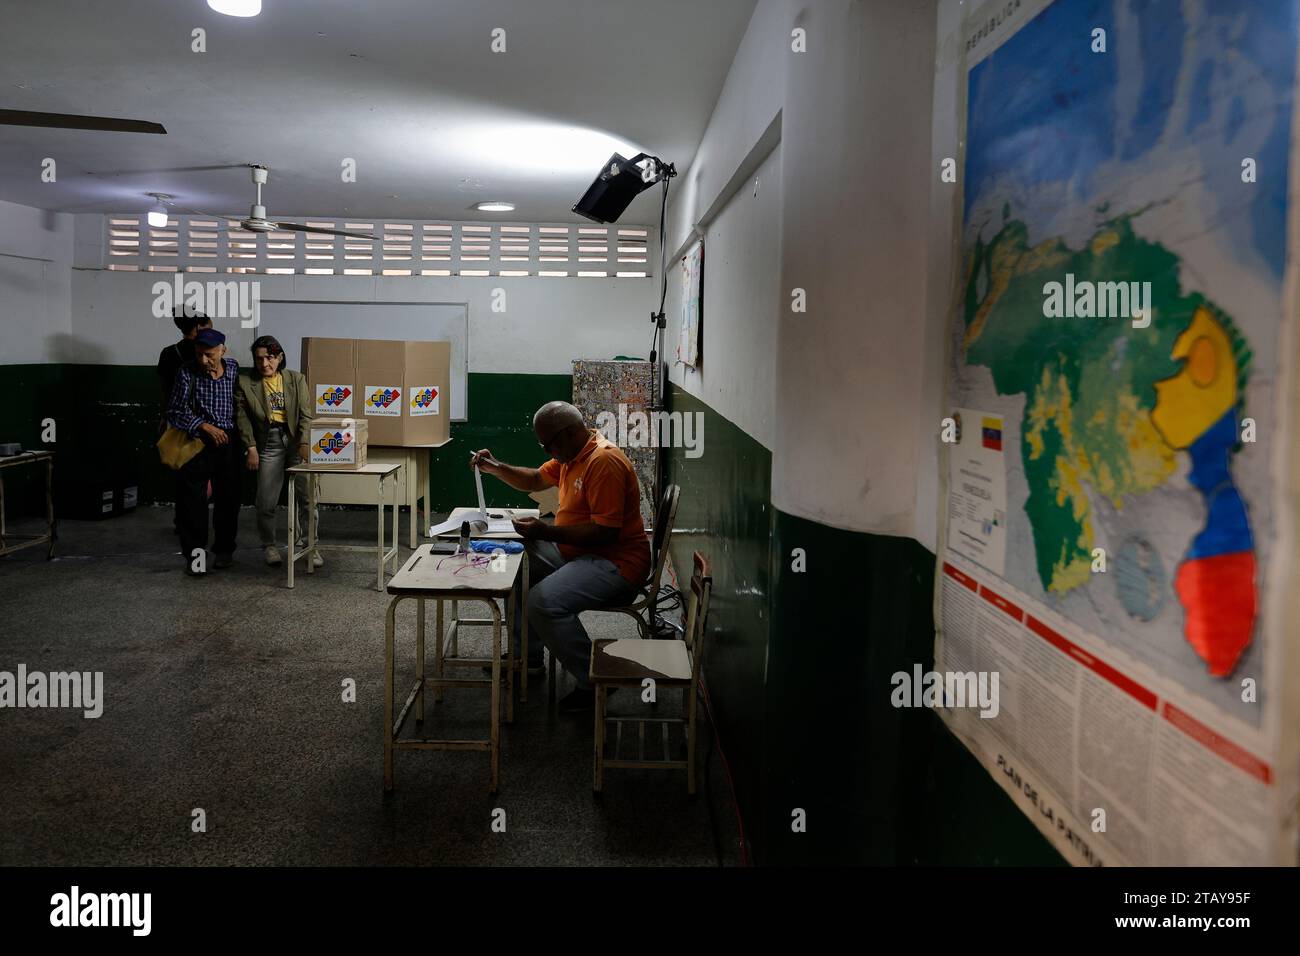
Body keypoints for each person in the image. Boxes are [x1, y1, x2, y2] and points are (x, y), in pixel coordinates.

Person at [470, 401, 650, 712]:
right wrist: (495, 467)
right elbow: (533, 480)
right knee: (518, 564)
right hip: (580, 554)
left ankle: (592, 682)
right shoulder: (571, 455)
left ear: (567, 434)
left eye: (547, 445)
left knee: (543, 601)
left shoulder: (602, 462)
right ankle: (525, 659)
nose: (546, 452)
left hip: (616, 564)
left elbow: (605, 533)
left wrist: (545, 532)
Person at [235, 335, 321, 567]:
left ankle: (310, 546)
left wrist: (304, 444)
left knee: (308, 497)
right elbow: (241, 419)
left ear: (280, 357)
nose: (264, 364)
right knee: (265, 500)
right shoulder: (245, 382)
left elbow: (305, 414)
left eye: (270, 358)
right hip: (268, 443)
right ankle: (269, 545)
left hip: (295, 440)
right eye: (259, 359)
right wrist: (250, 447)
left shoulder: (296, 379)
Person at [166, 327, 241, 576]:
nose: (203, 360)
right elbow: (175, 411)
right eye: (199, 354)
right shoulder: (187, 372)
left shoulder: (233, 369)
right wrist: (205, 426)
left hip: (228, 443)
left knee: (228, 501)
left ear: (222, 350)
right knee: (193, 506)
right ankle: (195, 558)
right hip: (197, 444)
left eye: (209, 354)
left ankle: (224, 551)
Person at [157, 309, 213, 534]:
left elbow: (164, 390)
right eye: (208, 328)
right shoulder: (205, 352)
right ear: (198, 328)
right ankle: (196, 524)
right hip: (201, 423)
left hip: (176, 422)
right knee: (203, 477)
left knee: (183, 474)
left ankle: (182, 522)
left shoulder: (167, 353)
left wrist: (164, 417)